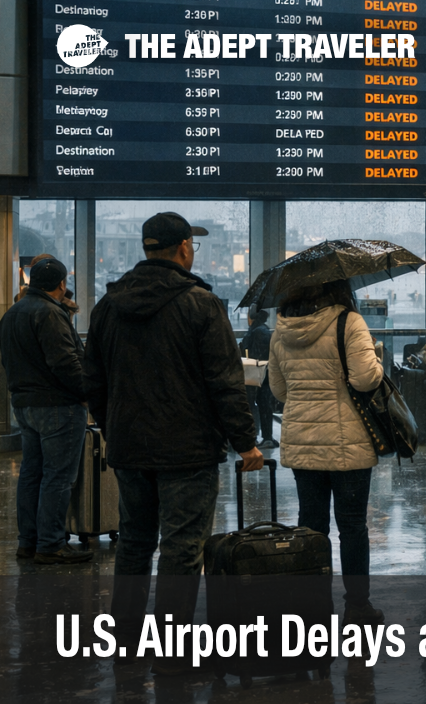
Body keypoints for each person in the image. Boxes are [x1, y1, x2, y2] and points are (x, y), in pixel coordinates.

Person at [83, 212, 262, 675]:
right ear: (183, 248)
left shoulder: (107, 306)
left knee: (136, 542)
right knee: (182, 547)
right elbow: (225, 382)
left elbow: (93, 381)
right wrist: (246, 444)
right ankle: (172, 645)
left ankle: (125, 638)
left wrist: (112, 425)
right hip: (187, 449)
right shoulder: (201, 305)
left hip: (129, 447)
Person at [268, 279, 386, 625]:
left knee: (312, 526)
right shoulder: (349, 322)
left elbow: (278, 389)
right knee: (351, 526)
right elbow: (365, 379)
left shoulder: (282, 330)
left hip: (303, 441)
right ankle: (358, 607)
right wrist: (376, 360)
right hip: (346, 442)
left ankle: (312, 607)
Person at [0, 257, 92, 565]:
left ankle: (28, 541)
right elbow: (65, 363)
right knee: (58, 477)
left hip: (24, 406)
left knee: (31, 474)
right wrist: (86, 395)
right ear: (62, 285)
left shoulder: (12, 314)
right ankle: (50, 544)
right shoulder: (51, 313)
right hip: (57, 408)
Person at [241, 308, 277, 449]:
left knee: (257, 405)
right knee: (263, 404)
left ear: (251, 318)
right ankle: (265, 437)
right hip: (263, 373)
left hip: (256, 373)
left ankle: (260, 437)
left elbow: (255, 354)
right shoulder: (262, 330)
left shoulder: (257, 332)